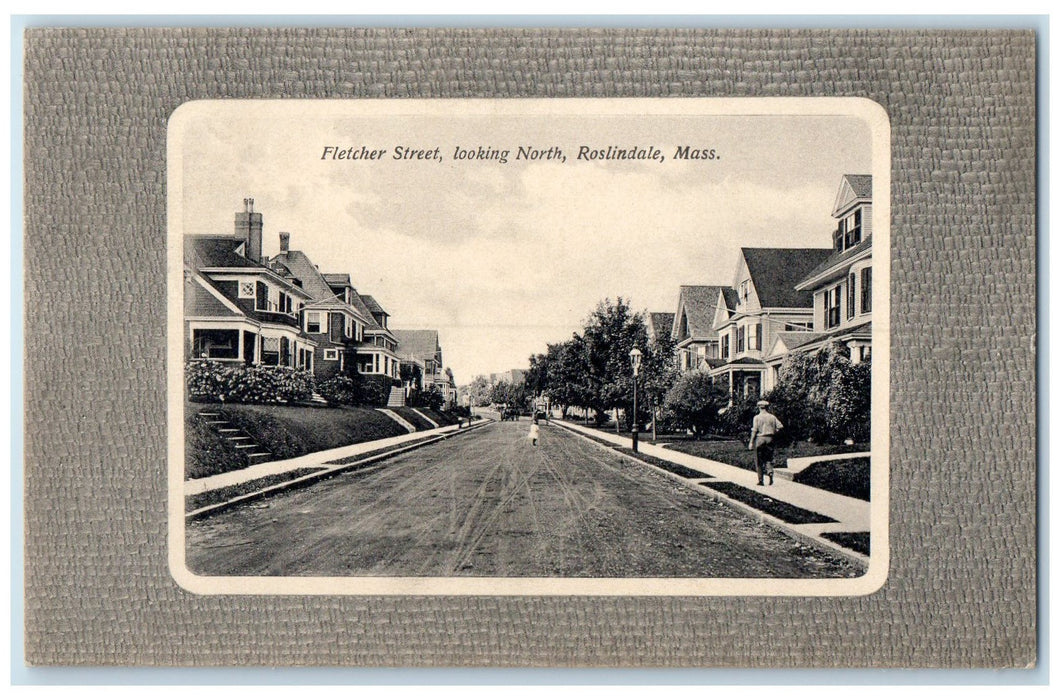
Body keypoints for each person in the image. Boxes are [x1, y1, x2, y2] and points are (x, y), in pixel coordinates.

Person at [748, 399, 783, 486]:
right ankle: (770, 473)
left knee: (759, 460)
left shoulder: (757, 417)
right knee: (769, 458)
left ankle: (761, 480)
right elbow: (780, 426)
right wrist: (774, 431)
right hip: (770, 438)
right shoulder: (772, 417)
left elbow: (754, 430)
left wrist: (751, 442)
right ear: (767, 407)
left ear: (759, 407)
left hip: (760, 438)